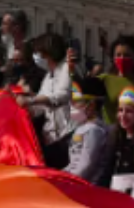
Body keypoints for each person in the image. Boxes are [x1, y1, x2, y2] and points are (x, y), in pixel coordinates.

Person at [25, 33, 74, 169]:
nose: (37, 57)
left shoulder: (67, 69)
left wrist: (30, 100)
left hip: (66, 137)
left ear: (49, 53)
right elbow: (40, 107)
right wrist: (26, 109)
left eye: (39, 53)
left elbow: (60, 97)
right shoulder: (48, 77)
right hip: (50, 139)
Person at [65, 78, 113, 185]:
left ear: (91, 105)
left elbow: (86, 166)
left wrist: (67, 181)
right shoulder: (83, 126)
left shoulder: (94, 130)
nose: (71, 106)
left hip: (86, 188)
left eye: (76, 102)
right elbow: (74, 162)